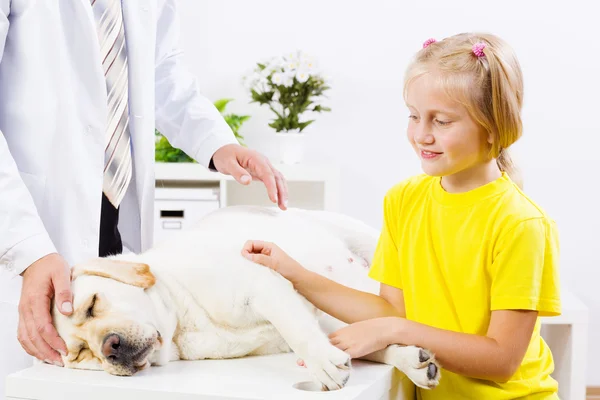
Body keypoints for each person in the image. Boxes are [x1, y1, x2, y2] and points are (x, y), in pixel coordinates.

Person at [242, 32, 561, 399]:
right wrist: (293, 272)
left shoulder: (521, 224)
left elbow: (502, 360)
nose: (421, 135)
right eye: (414, 116)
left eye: (441, 121)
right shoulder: (404, 200)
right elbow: (390, 310)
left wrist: (395, 331)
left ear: (493, 128)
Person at [0, 0, 288, 394]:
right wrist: (27, 248)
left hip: (114, 218)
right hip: (26, 222)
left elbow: (162, 71)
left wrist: (217, 143)